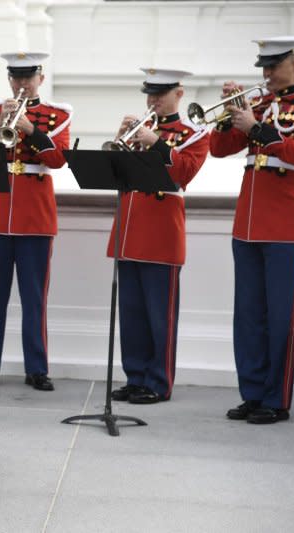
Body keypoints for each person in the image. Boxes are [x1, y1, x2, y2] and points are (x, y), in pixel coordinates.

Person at [210, 36, 294, 424]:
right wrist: (230, 114)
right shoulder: (259, 105)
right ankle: (251, 392)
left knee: (281, 315)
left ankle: (275, 399)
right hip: (248, 221)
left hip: (287, 223)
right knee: (248, 314)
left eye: (273, 66)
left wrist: (260, 130)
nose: (265, 74)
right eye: (263, 67)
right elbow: (219, 149)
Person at [0, 52, 71, 391]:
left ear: (40, 77)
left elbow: (58, 159)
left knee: (34, 299)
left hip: (35, 216)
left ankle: (37, 369)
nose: (22, 83)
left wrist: (31, 130)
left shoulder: (57, 115)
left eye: (28, 77)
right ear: (10, 79)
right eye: (16, 77)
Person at [106, 68, 210, 404]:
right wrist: (120, 142)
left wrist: (158, 145)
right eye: (149, 94)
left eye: (159, 95)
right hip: (130, 228)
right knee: (132, 313)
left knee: (159, 315)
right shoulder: (142, 129)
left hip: (163, 232)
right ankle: (135, 377)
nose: (152, 101)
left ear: (178, 94)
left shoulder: (194, 132)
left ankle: (159, 382)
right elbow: (114, 174)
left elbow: (185, 173)